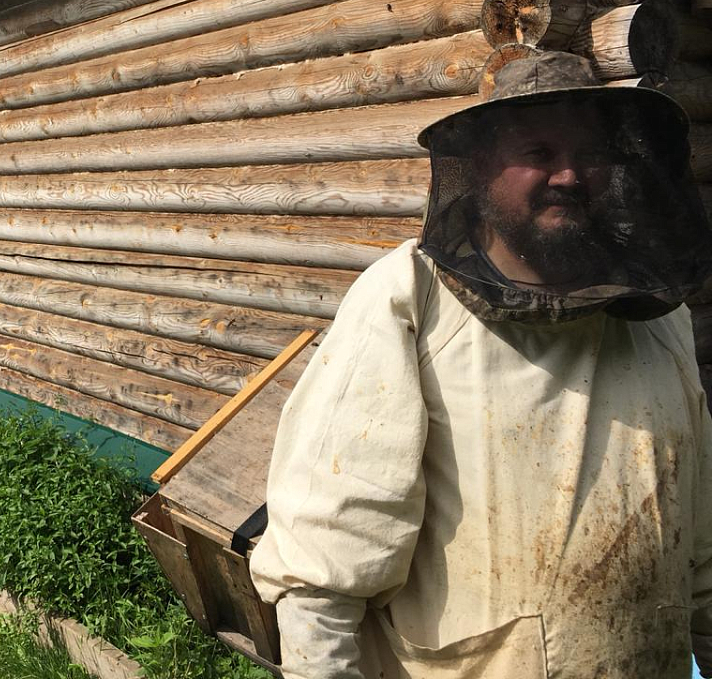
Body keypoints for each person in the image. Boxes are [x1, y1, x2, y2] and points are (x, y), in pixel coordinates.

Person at [249, 51, 712, 678]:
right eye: (539, 151)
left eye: (591, 153)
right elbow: (325, 559)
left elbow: (702, 538)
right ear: (482, 166)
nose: (569, 175)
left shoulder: (657, 315)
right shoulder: (409, 297)